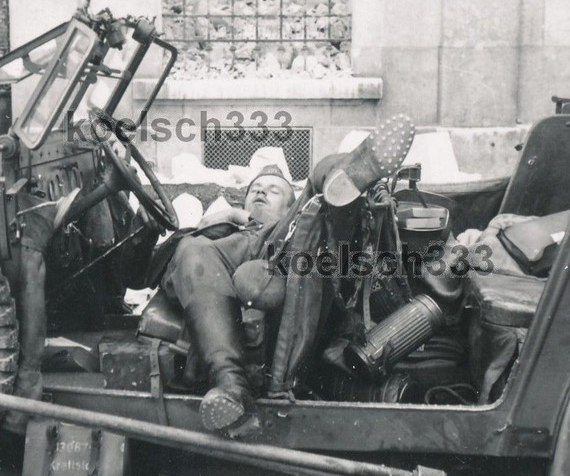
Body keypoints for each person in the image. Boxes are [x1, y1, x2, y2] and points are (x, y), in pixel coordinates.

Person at [157, 114, 417, 434]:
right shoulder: (217, 234)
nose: (261, 192)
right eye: (255, 189)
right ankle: (231, 385)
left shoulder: (288, 223)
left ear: (288, 206)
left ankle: (343, 178)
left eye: (274, 190)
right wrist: (230, 217)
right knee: (194, 249)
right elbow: (176, 265)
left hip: (283, 246)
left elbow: (297, 222)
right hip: (230, 257)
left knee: (318, 188)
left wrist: (260, 220)